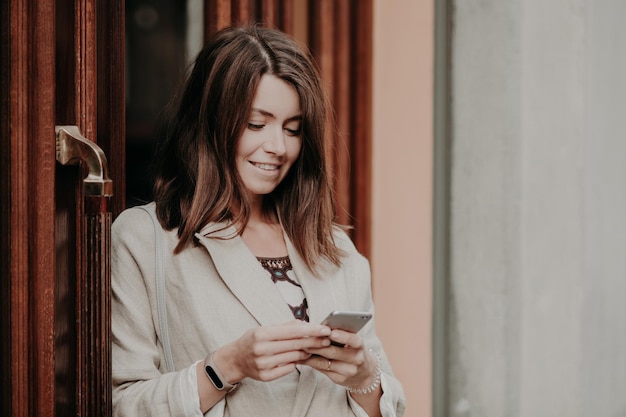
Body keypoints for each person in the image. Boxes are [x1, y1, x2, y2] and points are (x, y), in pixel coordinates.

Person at [111, 25, 406, 417]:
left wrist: (364, 376)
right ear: (211, 122)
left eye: (292, 129)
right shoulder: (145, 239)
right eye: (255, 124)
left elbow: (386, 406)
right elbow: (121, 404)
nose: (278, 147)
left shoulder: (334, 249)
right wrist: (226, 367)